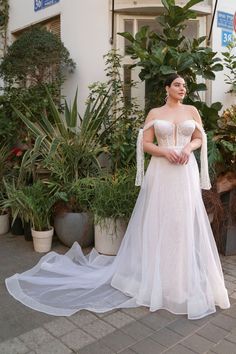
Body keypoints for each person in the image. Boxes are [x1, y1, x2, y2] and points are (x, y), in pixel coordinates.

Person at [5, 74, 230, 320]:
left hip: (184, 172)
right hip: (162, 171)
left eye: (185, 85)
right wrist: (166, 151)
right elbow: (145, 144)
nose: (182, 88)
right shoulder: (155, 113)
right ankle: (156, 277)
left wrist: (187, 148)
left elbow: (199, 138)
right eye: (177, 84)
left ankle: (180, 279)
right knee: (159, 220)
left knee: (182, 222)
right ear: (166, 88)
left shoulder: (192, 111)